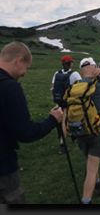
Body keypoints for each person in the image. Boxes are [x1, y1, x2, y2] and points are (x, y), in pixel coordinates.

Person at [0, 42, 64, 204]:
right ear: (18, 60)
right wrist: (52, 120)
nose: (23, 74)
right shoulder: (10, 87)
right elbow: (25, 132)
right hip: (3, 168)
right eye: (26, 68)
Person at [72, 57, 100, 204]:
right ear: (94, 67)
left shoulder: (75, 86)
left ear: (80, 71)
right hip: (98, 129)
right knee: (92, 169)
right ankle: (86, 200)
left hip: (79, 130)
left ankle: (98, 183)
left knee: (90, 161)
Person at [51, 55, 82, 154]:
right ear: (70, 63)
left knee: (66, 121)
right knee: (65, 123)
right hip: (69, 101)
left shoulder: (57, 73)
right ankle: (62, 146)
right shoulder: (75, 74)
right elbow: (80, 87)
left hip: (59, 101)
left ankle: (72, 136)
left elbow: (53, 87)